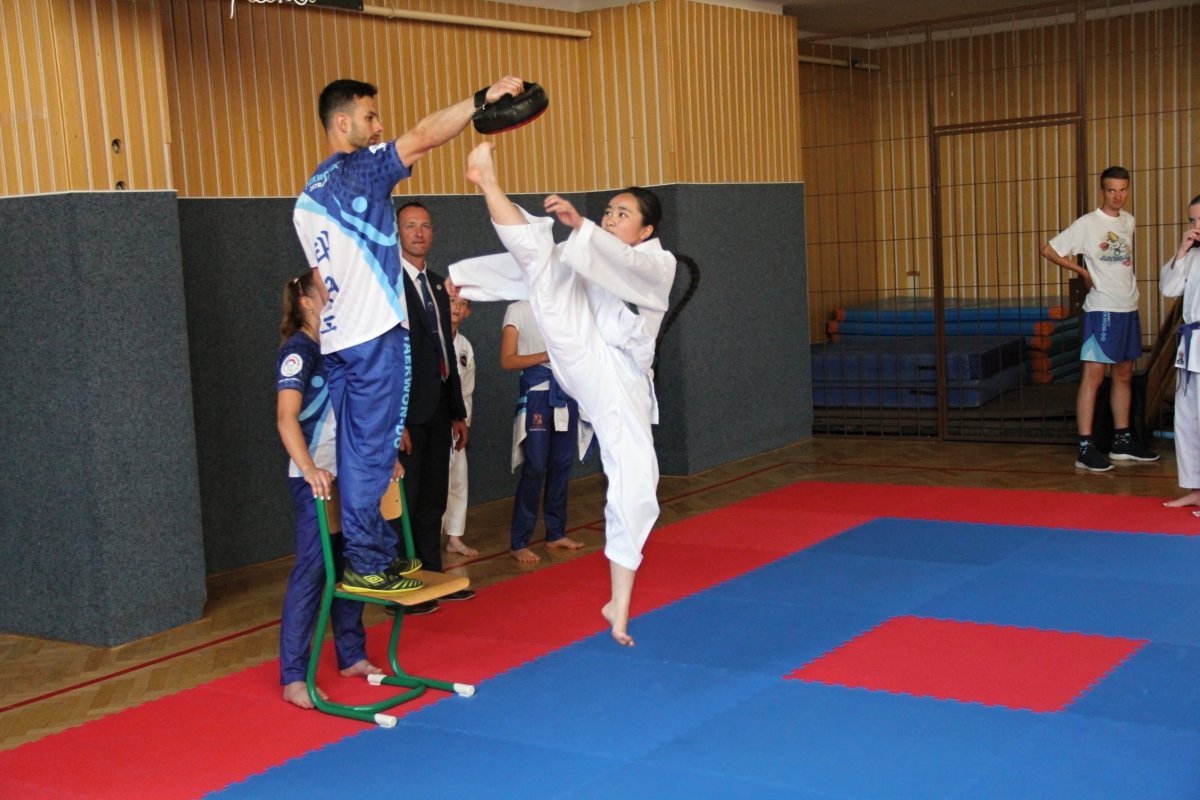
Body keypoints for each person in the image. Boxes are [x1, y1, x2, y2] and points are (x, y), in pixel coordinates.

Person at [293, 75, 523, 594]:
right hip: (372, 338)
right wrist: (479, 100)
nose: (379, 127)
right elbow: (422, 135)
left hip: (339, 340)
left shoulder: (309, 194)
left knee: (359, 452)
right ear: (342, 122)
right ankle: (366, 560)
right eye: (370, 117)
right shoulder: (358, 170)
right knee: (372, 456)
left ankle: (372, 553)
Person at [448, 141, 678, 647]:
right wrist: (465, 281)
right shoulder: (587, 253)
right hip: (582, 356)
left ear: (646, 231)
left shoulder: (657, 263)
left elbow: (625, 265)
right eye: (608, 210)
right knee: (542, 258)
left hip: (620, 380)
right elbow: (530, 267)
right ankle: (487, 180)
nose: (611, 217)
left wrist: (583, 227)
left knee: (636, 484)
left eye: (623, 214)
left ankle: (619, 603)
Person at [275, 271, 388, 709]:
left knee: (348, 563)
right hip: (315, 477)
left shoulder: (337, 347)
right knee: (314, 569)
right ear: (306, 302)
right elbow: (286, 417)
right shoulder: (298, 350)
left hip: (348, 473)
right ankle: (293, 677)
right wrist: (309, 469)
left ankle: (351, 654)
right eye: (326, 292)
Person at [1040, 165, 1159, 472]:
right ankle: (1085, 447)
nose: (1118, 196)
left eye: (1123, 190)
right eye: (1111, 190)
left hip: (1128, 307)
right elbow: (1049, 249)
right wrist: (1081, 271)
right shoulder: (1088, 223)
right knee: (1093, 377)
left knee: (1123, 375)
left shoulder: (1129, 220)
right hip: (1102, 309)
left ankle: (1122, 441)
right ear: (1102, 191)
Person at [393, 202, 475, 614]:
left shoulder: (440, 286)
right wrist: (394, 422)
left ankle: (433, 578)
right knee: (403, 503)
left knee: (432, 500)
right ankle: (402, 586)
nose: (419, 233)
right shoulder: (388, 284)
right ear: (397, 233)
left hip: (440, 407)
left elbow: (447, 350)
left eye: (425, 226)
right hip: (406, 412)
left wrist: (457, 411)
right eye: (410, 226)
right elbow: (386, 358)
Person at [501, 299, 585, 563]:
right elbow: (507, 359)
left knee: (561, 465)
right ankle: (519, 542)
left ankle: (556, 532)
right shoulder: (517, 309)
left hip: (566, 392)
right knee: (535, 466)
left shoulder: (564, 306)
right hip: (537, 394)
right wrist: (547, 356)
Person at [1161, 193, 1200, 511]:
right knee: (1187, 418)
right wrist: (1181, 251)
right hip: (1191, 343)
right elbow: (1169, 289)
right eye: (1192, 219)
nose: (1195, 225)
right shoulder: (1192, 256)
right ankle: (1195, 488)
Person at [442, 296, 479, 557]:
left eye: (463, 304)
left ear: (468, 312)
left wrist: (463, 422)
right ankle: (428, 540)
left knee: (458, 481)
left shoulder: (465, 346)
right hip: (434, 422)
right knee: (436, 485)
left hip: (457, 424)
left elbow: (467, 390)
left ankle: (454, 537)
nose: (457, 307)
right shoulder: (430, 338)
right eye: (452, 301)